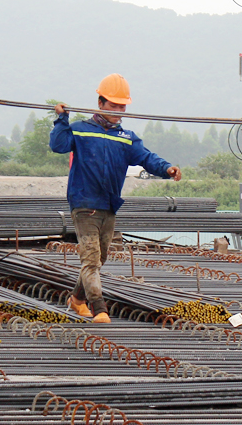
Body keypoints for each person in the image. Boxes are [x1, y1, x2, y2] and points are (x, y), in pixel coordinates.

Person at [50, 73, 182, 323]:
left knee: (99, 259)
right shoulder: (79, 130)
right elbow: (58, 145)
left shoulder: (126, 138)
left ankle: (77, 300)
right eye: (113, 105)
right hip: (83, 204)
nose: (118, 110)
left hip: (108, 205)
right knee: (90, 259)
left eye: (122, 106)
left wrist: (167, 168)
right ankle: (99, 309)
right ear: (100, 103)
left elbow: (147, 158)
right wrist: (61, 119)